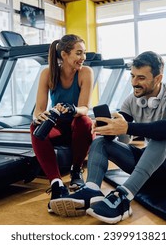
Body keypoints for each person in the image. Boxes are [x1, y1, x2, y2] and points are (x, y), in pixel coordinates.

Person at [49, 51, 166, 224]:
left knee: (165, 133)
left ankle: (123, 197)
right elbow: (120, 137)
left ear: (158, 78)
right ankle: (92, 191)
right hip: (154, 168)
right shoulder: (132, 100)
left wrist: (128, 126)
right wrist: (108, 129)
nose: (134, 83)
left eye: (141, 78)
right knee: (100, 142)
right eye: (132, 76)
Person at [30, 34, 95, 213]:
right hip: (58, 126)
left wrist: (72, 109)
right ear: (65, 55)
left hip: (77, 125)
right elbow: (39, 110)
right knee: (35, 126)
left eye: (84, 53)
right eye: (79, 53)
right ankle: (57, 184)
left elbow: (85, 108)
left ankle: (76, 170)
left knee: (84, 121)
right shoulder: (48, 73)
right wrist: (42, 116)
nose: (83, 58)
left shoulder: (85, 72)